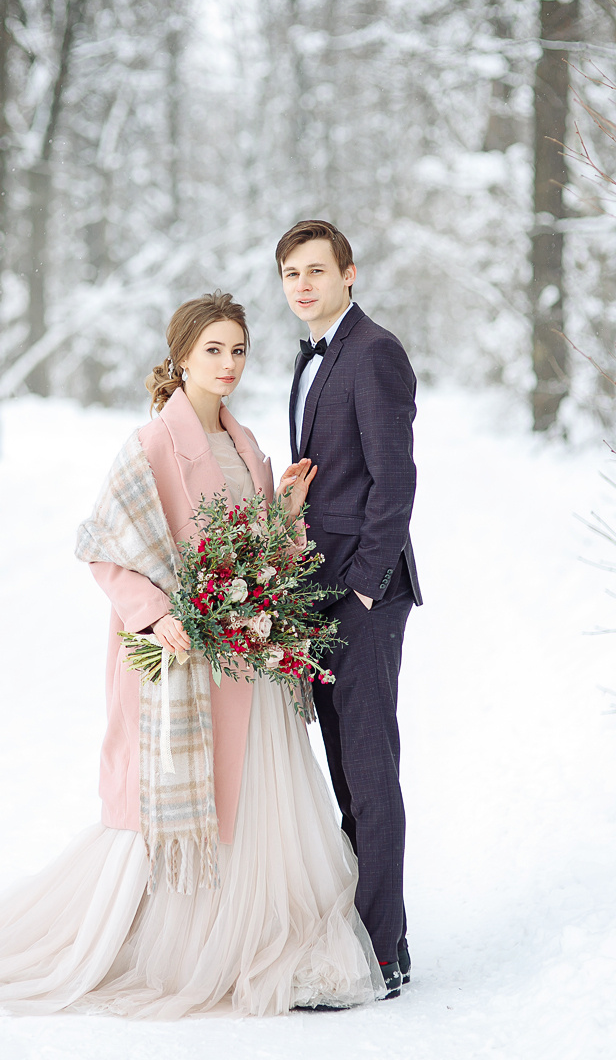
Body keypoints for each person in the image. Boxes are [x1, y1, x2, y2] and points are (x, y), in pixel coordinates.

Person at [0, 291, 385, 1018]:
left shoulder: (249, 443)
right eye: (213, 350)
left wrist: (282, 510)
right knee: (188, 813)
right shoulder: (152, 443)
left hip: (245, 662)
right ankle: (184, 945)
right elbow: (103, 549)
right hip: (184, 661)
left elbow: (258, 553)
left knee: (254, 805)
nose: (228, 365)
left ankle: (250, 937)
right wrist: (157, 615)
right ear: (182, 355)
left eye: (239, 350)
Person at [277, 221, 422, 999]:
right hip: (320, 593)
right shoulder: (307, 359)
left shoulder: (374, 352)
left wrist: (365, 585)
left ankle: (381, 953)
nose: (303, 285)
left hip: (365, 597)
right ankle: (366, 932)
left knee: (370, 772)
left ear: (349, 274)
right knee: (343, 770)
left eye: (316, 271)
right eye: (291, 274)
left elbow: (395, 482)